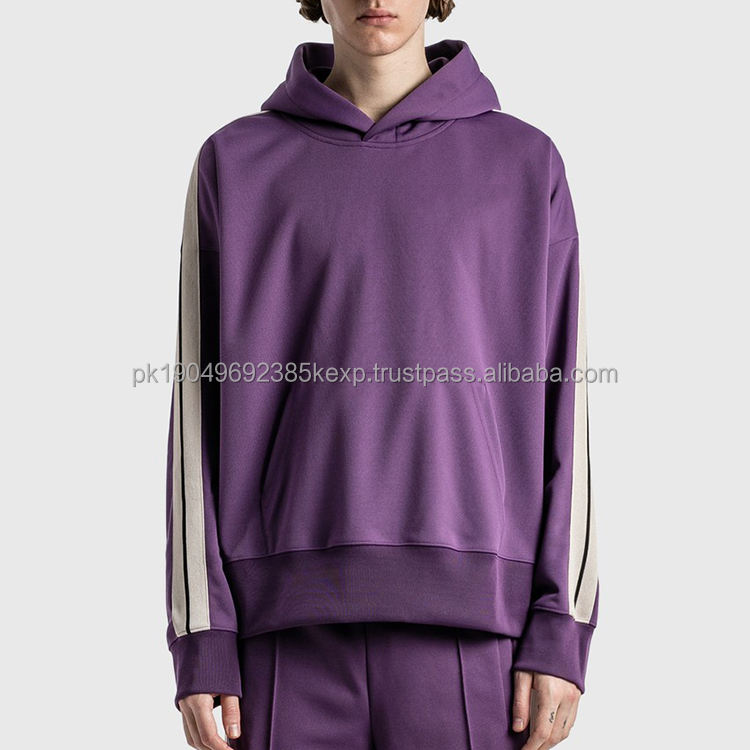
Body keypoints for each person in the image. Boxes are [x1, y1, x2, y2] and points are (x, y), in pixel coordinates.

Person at [164, 1, 599, 748]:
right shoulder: (234, 164)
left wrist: (562, 622)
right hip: (278, 644)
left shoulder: (526, 164)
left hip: (478, 641)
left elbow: (569, 405)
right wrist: (201, 634)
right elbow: (196, 416)